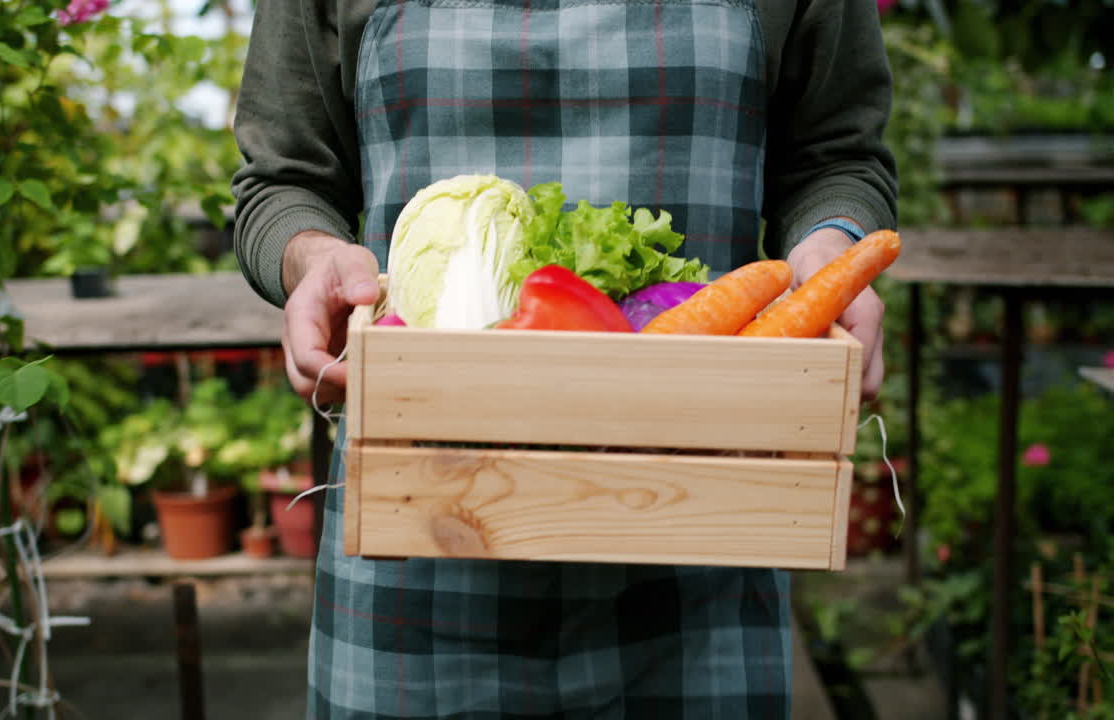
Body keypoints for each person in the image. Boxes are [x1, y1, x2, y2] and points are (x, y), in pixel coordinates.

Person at [231, 0, 898, 716]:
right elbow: (284, 178)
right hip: (417, 548)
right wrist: (312, 255)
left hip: (700, 559)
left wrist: (832, 252)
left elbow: (837, 154)